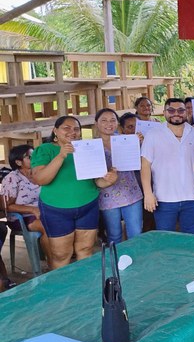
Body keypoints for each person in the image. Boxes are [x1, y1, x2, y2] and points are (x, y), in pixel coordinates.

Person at [31, 116, 117, 269]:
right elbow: (40, 179)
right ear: (55, 131)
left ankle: (83, 289)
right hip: (56, 210)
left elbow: (97, 182)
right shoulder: (45, 150)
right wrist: (62, 155)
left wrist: (109, 179)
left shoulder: (86, 148)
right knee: (61, 255)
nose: (72, 132)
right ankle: (63, 290)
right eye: (67, 128)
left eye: (76, 129)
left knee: (85, 250)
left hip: (88, 206)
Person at [140, 98, 194, 234]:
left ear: (186, 112)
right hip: (163, 198)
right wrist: (148, 194)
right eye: (171, 110)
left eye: (181, 110)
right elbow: (145, 165)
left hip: (192, 198)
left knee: (191, 239)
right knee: (165, 239)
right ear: (164, 113)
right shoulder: (153, 134)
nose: (176, 113)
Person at [95, 108, 144, 243]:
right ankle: (116, 263)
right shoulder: (92, 146)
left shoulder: (126, 140)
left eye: (112, 120)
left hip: (131, 194)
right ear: (96, 123)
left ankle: (136, 262)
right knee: (114, 235)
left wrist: (138, 144)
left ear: (117, 123)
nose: (108, 124)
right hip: (107, 197)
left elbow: (141, 162)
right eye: (104, 120)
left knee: (136, 233)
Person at [1, 145, 49, 261]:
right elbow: (6, 206)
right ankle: (53, 263)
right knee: (47, 227)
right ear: (18, 162)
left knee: (63, 222)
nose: (34, 159)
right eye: (29, 157)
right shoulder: (12, 178)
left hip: (43, 213)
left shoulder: (39, 174)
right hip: (21, 218)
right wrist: (32, 210)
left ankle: (61, 256)